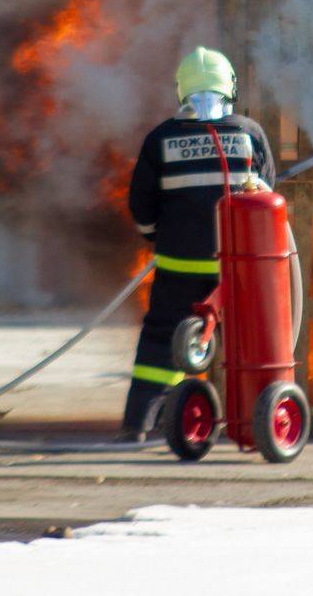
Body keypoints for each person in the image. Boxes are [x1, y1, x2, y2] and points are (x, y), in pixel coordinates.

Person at [120, 46, 276, 440]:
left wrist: (157, 238)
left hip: (178, 266)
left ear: (181, 90)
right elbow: (268, 193)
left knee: (160, 343)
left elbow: (141, 205)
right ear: (230, 88)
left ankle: (139, 425)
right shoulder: (249, 134)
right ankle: (251, 422)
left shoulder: (161, 139)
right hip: (237, 270)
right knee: (248, 347)